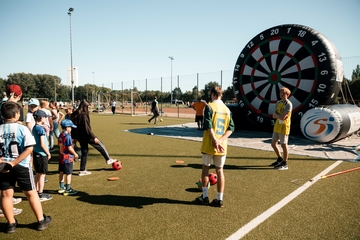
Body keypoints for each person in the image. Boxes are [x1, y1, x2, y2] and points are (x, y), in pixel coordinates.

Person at [0, 101, 52, 233]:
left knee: (6, 194)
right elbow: (29, 149)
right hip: (21, 164)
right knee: (31, 193)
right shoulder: (22, 129)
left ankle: (11, 224)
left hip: (2, 166)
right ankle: (41, 220)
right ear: (16, 114)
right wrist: (14, 162)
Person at [195, 86, 235, 208]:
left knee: (205, 169)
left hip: (209, 144)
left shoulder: (209, 106)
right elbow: (231, 128)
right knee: (220, 170)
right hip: (222, 146)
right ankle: (219, 199)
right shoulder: (227, 109)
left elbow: (208, 126)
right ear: (221, 95)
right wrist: (220, 141)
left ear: (213, 94)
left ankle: (205, 197)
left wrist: (214, 141)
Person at [71, 100, 117, 176]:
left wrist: (75, 137)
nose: (89, 108)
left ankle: (82, 170)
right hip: (86, 135)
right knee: (100, 144)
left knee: (84, 152)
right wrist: (94, 137)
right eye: (88, 107)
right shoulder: (84, 115)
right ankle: (108, 159)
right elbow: (87, 128)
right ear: (85, 107)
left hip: (79, 136)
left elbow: (73, 127)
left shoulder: (74, 114)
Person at [269, 87, 293, 170]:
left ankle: (285, 163)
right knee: (273, 143)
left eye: (283, 93)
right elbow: (274, 116)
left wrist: (277, 115)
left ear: (287, 94)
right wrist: (278, 115)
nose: (281, 94)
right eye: (280, 93)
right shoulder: (278, 103)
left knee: (283, 144)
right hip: (277, 126)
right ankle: (279, 158)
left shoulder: (288, 104)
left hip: (284, 127)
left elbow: (282, 117)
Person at [32, 110, 53, 202]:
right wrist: (48, 152)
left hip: (36, 153)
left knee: (38, 174)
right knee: (42, 174)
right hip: (41, 154)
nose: (46, 119)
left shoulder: (34, 127)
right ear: (41, 118)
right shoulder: (40, 129)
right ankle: (40, 194)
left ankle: (37, 192)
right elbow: (42, 143)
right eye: (45, 117)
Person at [58, 119, 78, 195]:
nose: (71, 129)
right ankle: (68, 189)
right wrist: (75, 154)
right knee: (68, 173)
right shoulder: (68, 137)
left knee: (61, 172)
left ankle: (61, 187)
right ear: (67, 127)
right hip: (67, 158)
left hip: (61, 157)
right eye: (70, 127)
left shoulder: (61, 135)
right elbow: (69, 148)